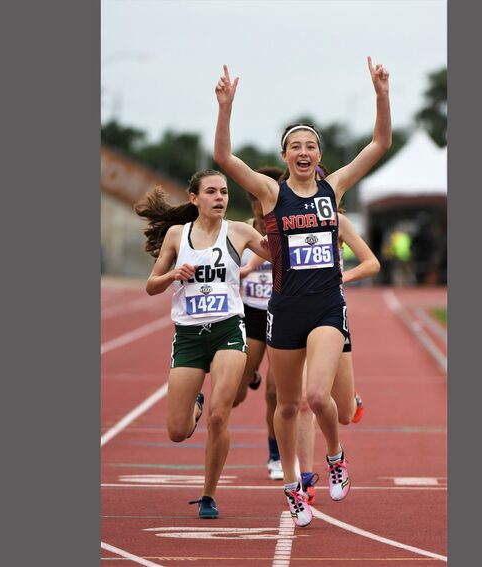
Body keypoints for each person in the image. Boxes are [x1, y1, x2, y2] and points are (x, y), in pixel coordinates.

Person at [213, 57, 391, 527]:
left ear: (319, 154)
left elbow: (379, 143)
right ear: (286, 155)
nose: (304, 151)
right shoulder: (272, 195)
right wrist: (226, 108)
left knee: (317, 397)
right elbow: (225, 160)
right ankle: (293, 486)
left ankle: (336, 455)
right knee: (286, 405)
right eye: (295, 145)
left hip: (327, 307)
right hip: (285, 309)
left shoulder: (334, 188)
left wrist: (381, 95)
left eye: (311, 144)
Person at [135, 169, 271, 520]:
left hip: (228, 329)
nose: (220, 198)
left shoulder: (239, 231)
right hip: (188, 337)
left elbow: (277, 255)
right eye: (211, 192)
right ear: (194, 198)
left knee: (219, 415)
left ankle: (209, 494)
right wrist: (171, 275)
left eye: (224, 192)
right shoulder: (178, 236)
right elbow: (151, 285)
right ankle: (193, 402)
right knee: (177, 432)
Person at [296, 173, 380, 505]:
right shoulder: (284, 219)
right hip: (295, 318)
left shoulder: (337, 221)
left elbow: (372, 263)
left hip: (330, 317)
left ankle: (352, 401)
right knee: (306, 400)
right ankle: (305, 478)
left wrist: (341, 276)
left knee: (343, 412)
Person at [230, 166, 283, 481]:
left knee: (276, 393)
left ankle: (275, 456)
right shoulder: (240, 231)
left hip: (280, 314)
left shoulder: (285, 228)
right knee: (234, 395)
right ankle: (249, 376)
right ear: (252, 204)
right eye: (257, 202)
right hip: (249, 314)